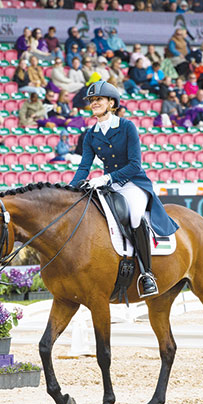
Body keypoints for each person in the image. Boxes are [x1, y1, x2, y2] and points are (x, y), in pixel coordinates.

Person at [70, 81, 179, 297]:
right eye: (92, 101)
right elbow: (84, 166)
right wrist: (69, 190)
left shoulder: (127, 127)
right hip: (109, 186)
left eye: (98, 99)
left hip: (133, 182)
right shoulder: (91, 135)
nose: (94, 104)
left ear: (111, 102)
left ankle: (147, 274)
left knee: (135, 216)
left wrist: (106, 178)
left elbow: (134, 165)